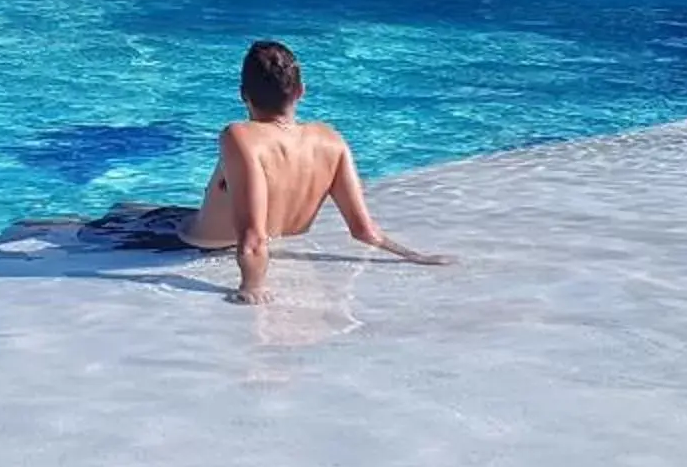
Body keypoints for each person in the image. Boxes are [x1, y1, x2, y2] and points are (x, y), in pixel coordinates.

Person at [80, 40, 447, 304]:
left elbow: (253, 234)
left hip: (183, 240)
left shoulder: (241, 136)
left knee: (67, 229)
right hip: (194, 226)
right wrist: (415, 256)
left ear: (244, 96)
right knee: (129, 207)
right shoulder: (331, 140)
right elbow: (364, 231)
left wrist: (251, 286)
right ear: (301, 91)